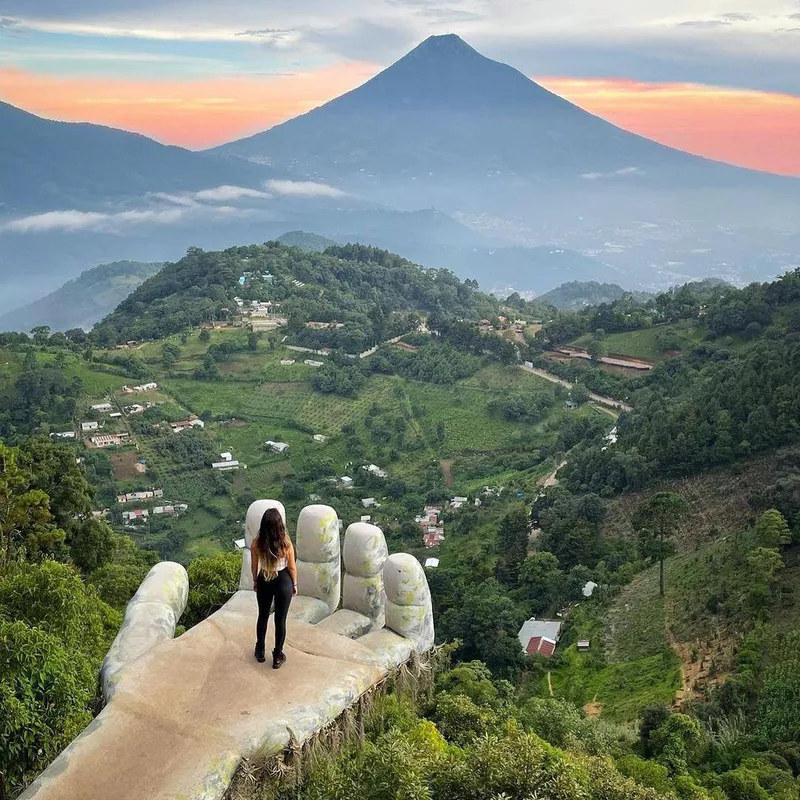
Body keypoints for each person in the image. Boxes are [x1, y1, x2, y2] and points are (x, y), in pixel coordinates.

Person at [250, 508, 297, 668]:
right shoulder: (286, 543)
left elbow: (254, 566)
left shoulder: (257, 543)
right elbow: (291, 567)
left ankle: (260, 650)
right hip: (283, 581)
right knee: (280, 620)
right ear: (280, 525)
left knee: (263, 615)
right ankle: (277, 656)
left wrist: (256, 581)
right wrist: (294, 584)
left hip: (264, 578)